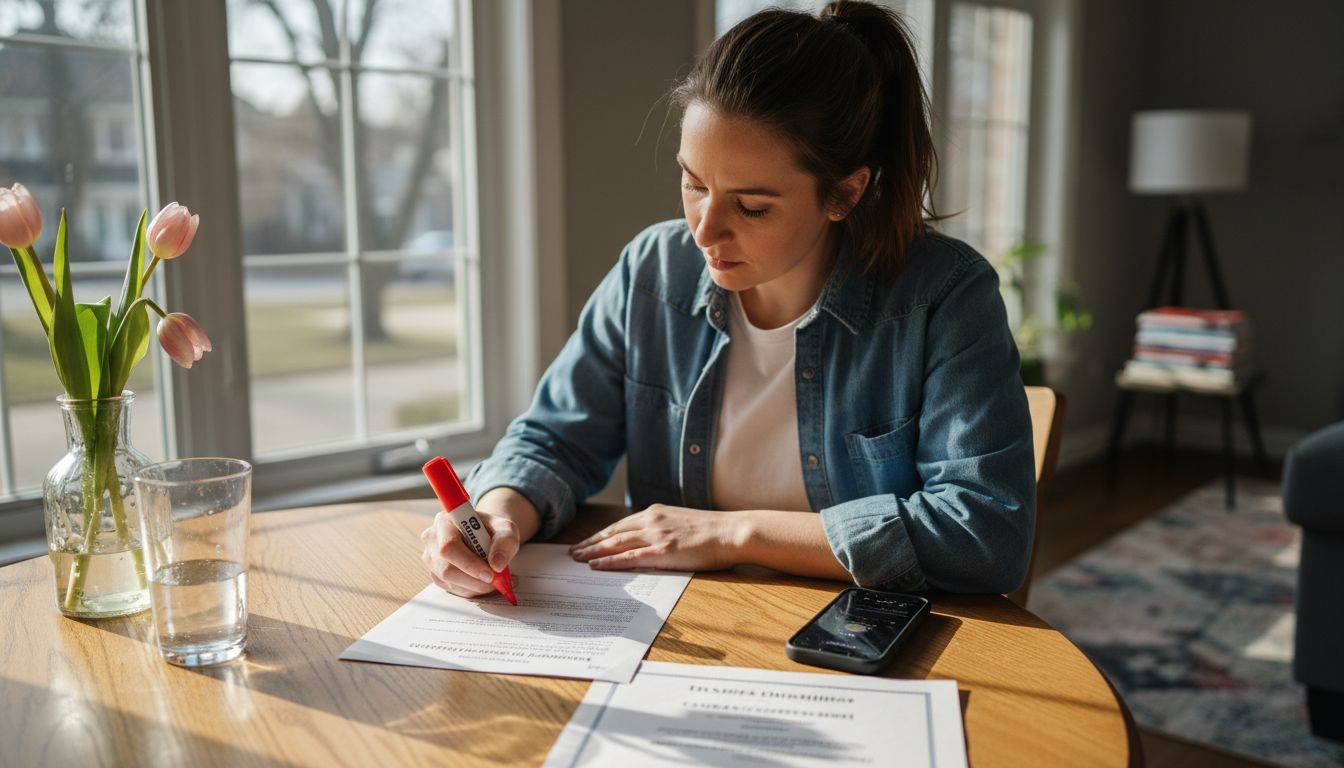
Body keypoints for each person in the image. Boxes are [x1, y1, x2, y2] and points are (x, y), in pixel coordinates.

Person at [420, 1, 1035, 600]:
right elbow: (554, 440)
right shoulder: (652, 271)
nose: (704, 231)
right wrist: (497, 517)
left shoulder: (944, 296)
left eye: (752, 206)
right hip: (682, 632)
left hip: (845, 638)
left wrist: (735, 532)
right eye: (694, 183)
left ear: (845, 193)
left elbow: (985, 532)